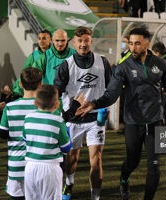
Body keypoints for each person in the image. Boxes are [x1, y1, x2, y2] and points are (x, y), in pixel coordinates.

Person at [77, 27, 166, 200]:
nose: (133, 48)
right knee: (133, 162)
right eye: (131, 43)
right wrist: (94, 104)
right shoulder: (123, 67)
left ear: (147, 44)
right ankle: (124, 178)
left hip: (155, 121)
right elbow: (112, 94)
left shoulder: (161, 64)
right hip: (133, 122)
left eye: (137, 44)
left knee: (154, 165)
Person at [54, 26, 112, 200]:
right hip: (74, 119)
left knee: (97, 158)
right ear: (74, 42)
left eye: (86, 40)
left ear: (91, 41)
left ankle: (95, 197)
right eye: (80, 41)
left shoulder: (103, 62)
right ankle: (69, 183)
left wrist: (104, 106)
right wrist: (66, 111)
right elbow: (57, 91)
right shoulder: (66, 65)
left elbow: (112, 89)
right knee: (72, 159)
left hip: (96, 119)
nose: (83, 44)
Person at [23, 85, 72, 200]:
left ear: (36, 102)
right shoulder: (58, 121)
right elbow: (66, 148)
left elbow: (25, 139)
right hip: (50, 168)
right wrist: (68, 132)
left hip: (30, 167)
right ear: (57, 104)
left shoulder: (28, 118)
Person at [0, 67, 42, 199]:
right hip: (38, 164)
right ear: (40, 84)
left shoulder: (10, 107)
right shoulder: (46, 107)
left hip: (16, 163)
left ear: (21, 84)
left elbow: (2, 134)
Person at [13, 29, 76, 97]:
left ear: (67, 40)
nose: (60, 44)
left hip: (70, 99)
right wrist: (16, 91)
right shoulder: (43, 56)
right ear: (53, 40)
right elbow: (30, 75)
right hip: (49, 100)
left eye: (63, 40)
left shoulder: (75, 55)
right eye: (57, 40)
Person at [12, 30, 52, 96]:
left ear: (50, 39)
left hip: (51, 90)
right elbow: (24, 73)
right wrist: (16, 88)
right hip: (37, 91)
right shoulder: (33, 56)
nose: (41, 41)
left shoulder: (55, 55)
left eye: (44, 38)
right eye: (39, 38)